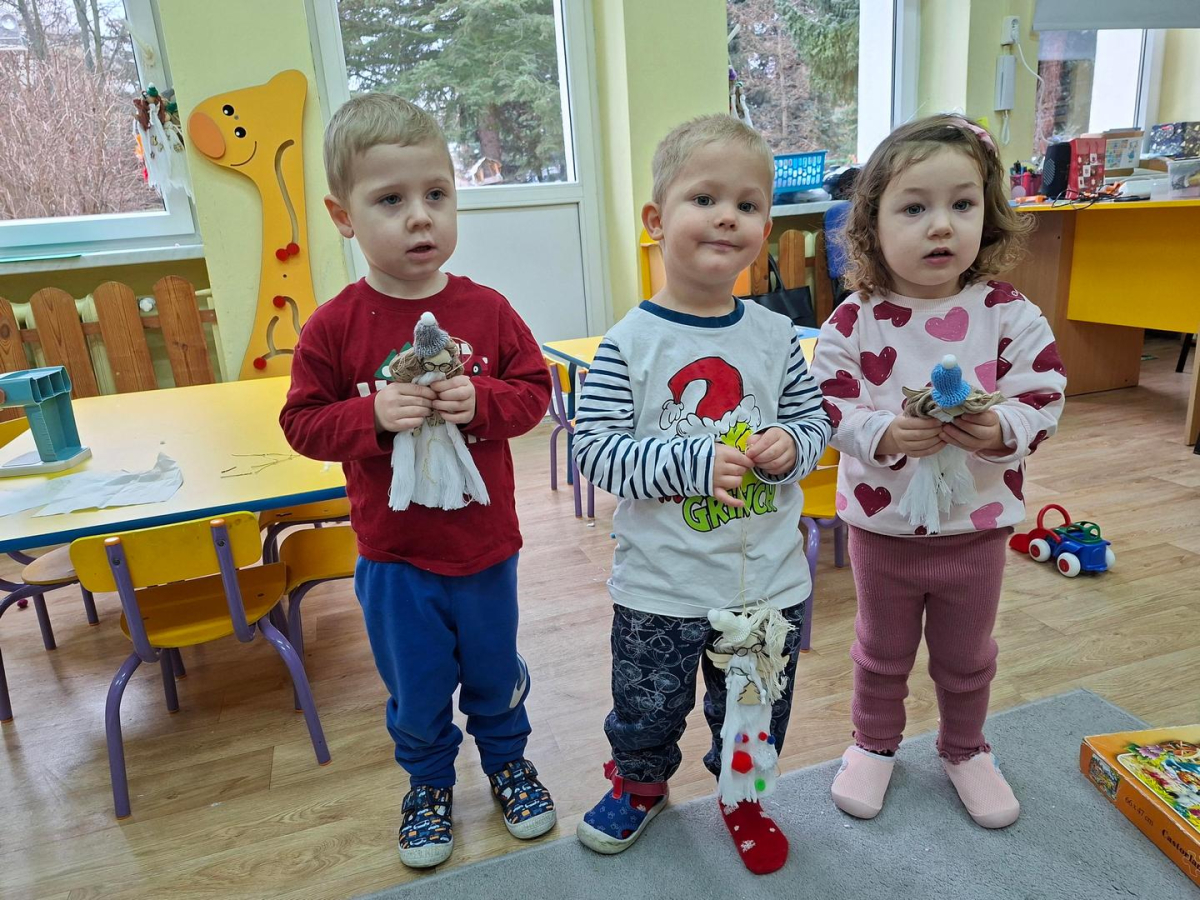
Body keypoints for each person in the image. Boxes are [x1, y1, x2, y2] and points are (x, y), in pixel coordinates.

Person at [280, 94, 555, 868]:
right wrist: (369, 415)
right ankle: (429, 784)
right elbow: (301, 423)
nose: (420, 218)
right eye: (391, 200)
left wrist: (483, 401)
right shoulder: (333, 326)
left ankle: (508, 764)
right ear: (343, 216)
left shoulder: (487, 310)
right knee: (417, 684)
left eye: (436, 194)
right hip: (395, 559)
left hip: (486, 550)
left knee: (495, 672)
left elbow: (535, 394)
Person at [572, 114, 831, 874]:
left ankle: (744, 797)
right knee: (646, 704)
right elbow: (596, 451)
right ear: (656, 220)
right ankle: (640, 785)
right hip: (662, 582)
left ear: (764, 228)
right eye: (705, 199)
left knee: (756, 706)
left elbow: (814, 420)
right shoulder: (629, 343)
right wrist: (690, 462)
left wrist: (791, 447)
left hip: (766, 585)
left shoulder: (777, 336)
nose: (727, 217)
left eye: (747, 205)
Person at [810, 114, 1066, 828]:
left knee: (967, 656)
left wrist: (1001, 427)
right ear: (872, 224)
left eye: (962, 204)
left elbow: (1044, 394)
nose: (941, 225)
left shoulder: (1009, 314)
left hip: (975, 530)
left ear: (988, 215)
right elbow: (826, 405)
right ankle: (873, 744)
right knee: (880, 652)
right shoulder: (854, 320)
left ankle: (965, 748)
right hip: (882, 528)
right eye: (915, 208)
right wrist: (884, 432)